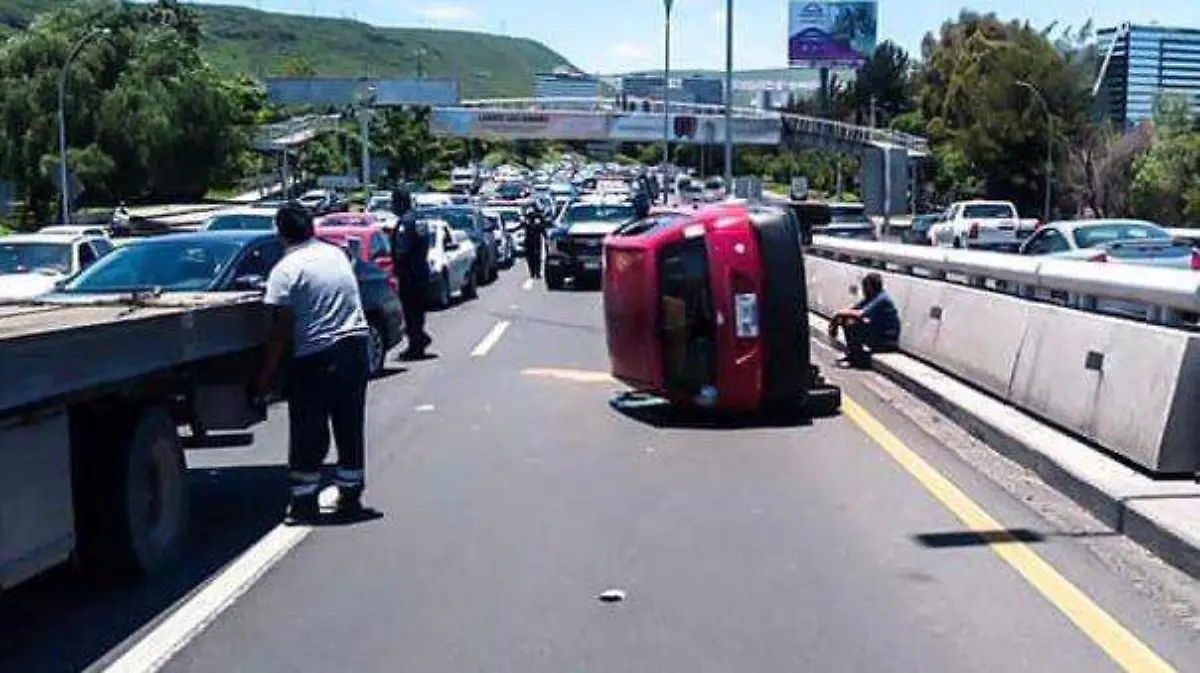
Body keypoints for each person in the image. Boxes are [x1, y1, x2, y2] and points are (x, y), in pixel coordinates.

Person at [255, 201, 371, 523]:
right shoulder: (335, 255)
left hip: (318, 355)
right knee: (349, 424)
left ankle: (304, 501)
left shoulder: (286, 270)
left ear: (281, 233)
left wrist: (266, 376)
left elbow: (280, 328)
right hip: (356, 348)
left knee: (309, 429)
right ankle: (350, 493)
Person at [390, 187, 432, 359]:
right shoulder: (418, 219)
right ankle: (418, 341)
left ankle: (417, 343)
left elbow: (402, 249)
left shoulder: (405, 223)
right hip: (421, 271)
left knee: (410, 311)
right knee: (418, 311)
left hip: (409, 274)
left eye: (394, 202)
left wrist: (395, 260)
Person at [828, 272, 900, 369]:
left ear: (870, 287)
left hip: (887, 340)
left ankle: (856, 360)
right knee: (846, 319)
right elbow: (852, 310)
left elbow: (860, 313)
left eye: (865, 286)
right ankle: (852, 355)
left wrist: (837, 315)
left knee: (852, 324)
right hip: (877, 333)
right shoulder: (871, 298)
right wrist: (837, 320)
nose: (863, 290)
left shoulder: (882, 299)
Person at [523, 197, 549, 280]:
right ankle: (532, 272)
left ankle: (537, 272)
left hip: (536, 239)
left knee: (537, 256)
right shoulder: (526, 217)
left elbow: (543, 228)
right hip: (528, 239)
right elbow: (522, 226)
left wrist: (546, 238)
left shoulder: (539, 216)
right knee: (529, 256)